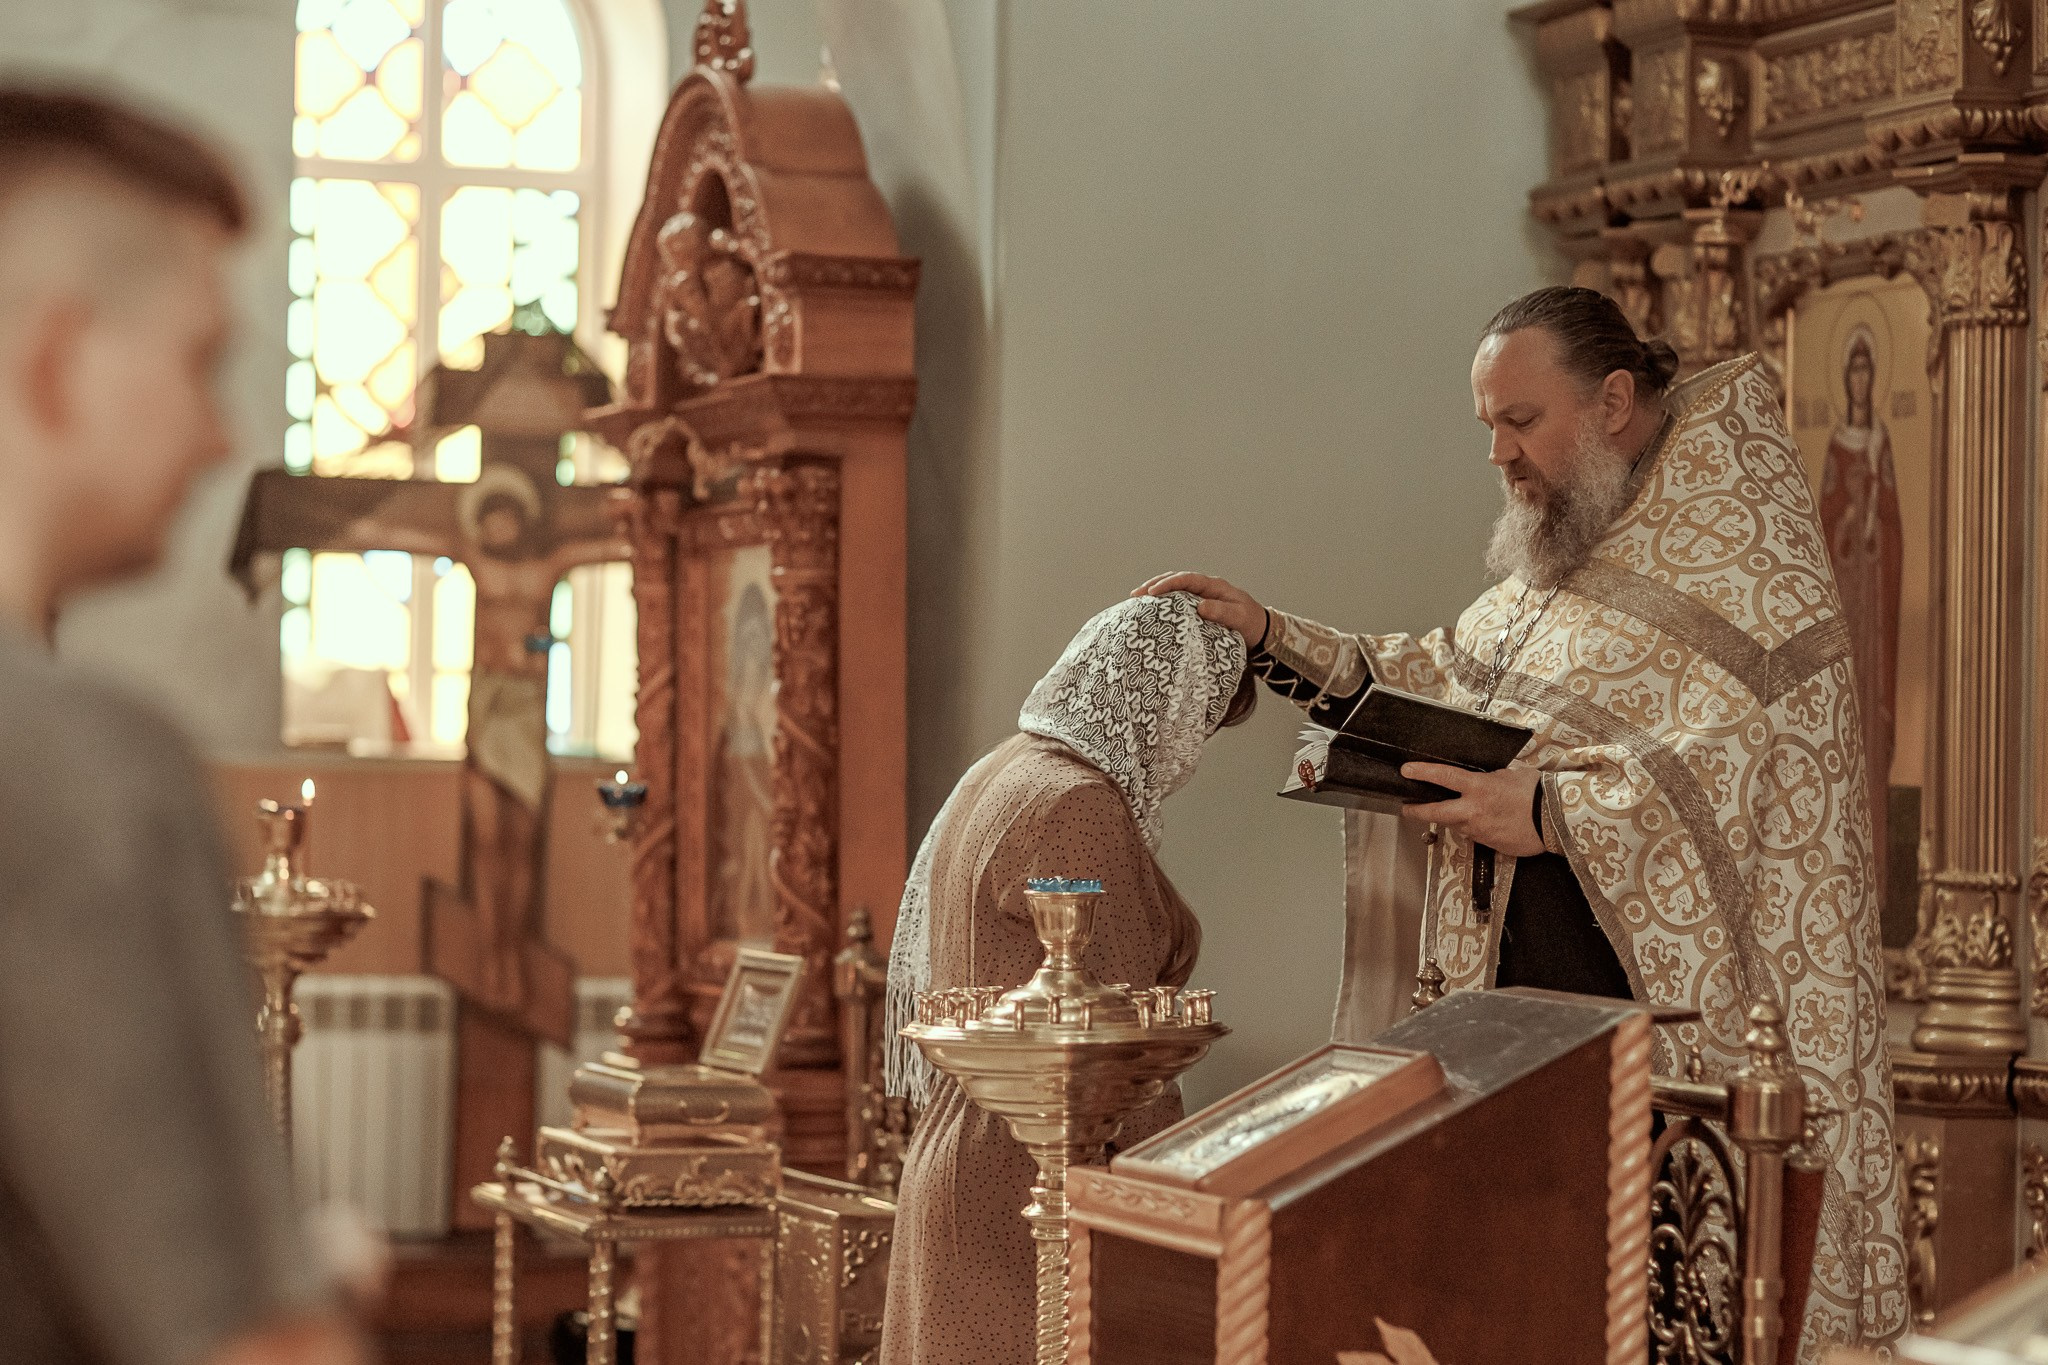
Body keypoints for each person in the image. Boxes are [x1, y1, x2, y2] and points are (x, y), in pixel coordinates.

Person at [1138, 286, 1905, 1359]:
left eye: (1519, 420)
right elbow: (1451, 677)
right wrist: (1271, 633)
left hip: (1670, 1040)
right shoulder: (1568, 555)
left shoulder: (1738, 548)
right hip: (1523, 1029)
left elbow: (1742, 761)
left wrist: (1549, 808)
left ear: (1612, 399)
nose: (1497, 453)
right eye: (1485, 425)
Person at [0, 88, 365, 1365]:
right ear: (55, 357)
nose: (219, 438)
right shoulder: (73, 764)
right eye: (199, 361)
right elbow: (244, 1343)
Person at [877, 592, 1254, 1365]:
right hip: (1031, 1181)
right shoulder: (1079, 803)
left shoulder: (1008, 768)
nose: (1189, 753)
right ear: (1162, 708)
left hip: (964, 1158)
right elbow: (1121, 1046)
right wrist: (1172, 1210)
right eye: (1198, 726)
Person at [1820, 327, 1903, 884]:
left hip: (1874, 608)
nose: (1860, 379)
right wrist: (1847, 523)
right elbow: (1822, 529)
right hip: (1843, 606)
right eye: (1853, 370)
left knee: (1873, 722)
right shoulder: (1837, 444)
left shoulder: (1880, 444)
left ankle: (1877, 866)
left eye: (1867, 370)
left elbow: (1895, 526)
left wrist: (1875, 523)